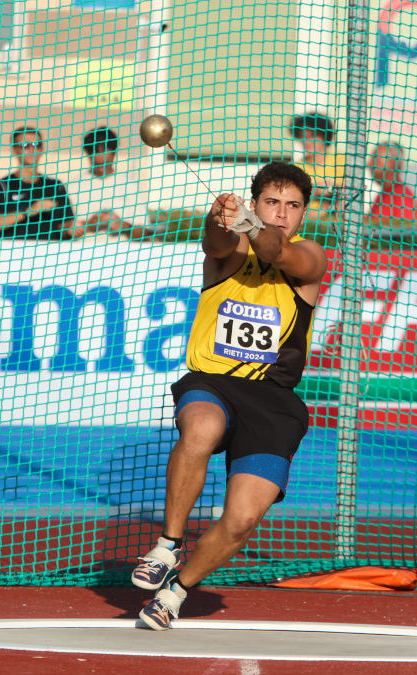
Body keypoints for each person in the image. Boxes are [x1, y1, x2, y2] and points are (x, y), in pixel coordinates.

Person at [129, 161, 328, 631]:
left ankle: (176, 593)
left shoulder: (311, 259)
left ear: (303, 215)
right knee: (201, 429)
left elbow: (275, 248)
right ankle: (168, 545)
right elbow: (216, 243)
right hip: (212, 382)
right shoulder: (229, 251)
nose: (281, 213)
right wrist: (216, 218)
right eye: (271, 202)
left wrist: (254, 226)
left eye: (292, 206)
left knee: (241, 519)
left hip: (274, 401)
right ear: (254, 200)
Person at [0, 126, 74, 240]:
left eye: (36, 144)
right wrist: (28, 211)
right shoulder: (3, 185)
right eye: (25, 145)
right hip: (12, 252)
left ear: (42, 148)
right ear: (15, 150)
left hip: (48, 253)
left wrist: (75, 229)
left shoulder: (54, 185)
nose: (31, 149)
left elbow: (65, 226)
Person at [66, 126, 158, 240]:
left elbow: (145, 231)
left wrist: (124, 226)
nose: (99, 158)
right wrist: (88, 225)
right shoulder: (73, 186)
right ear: (88, 154)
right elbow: (63, 230)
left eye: (104, 152)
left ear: (113, 152)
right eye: (94, 152)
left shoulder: (129, 185)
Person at [290, 111, 345, 214]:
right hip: (307, 223)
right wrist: (314, 191)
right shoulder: (295, 168)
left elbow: (352, 192)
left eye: (312, 136)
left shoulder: (342, 160)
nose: (306, 141)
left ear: (324, 136)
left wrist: (332, 189)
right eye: (302, 136)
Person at [367, 141, 417, 226]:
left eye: (376, 161)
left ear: (393, 163)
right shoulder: (385, 193)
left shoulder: (401, 197)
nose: (369, 165)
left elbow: (406, 233)